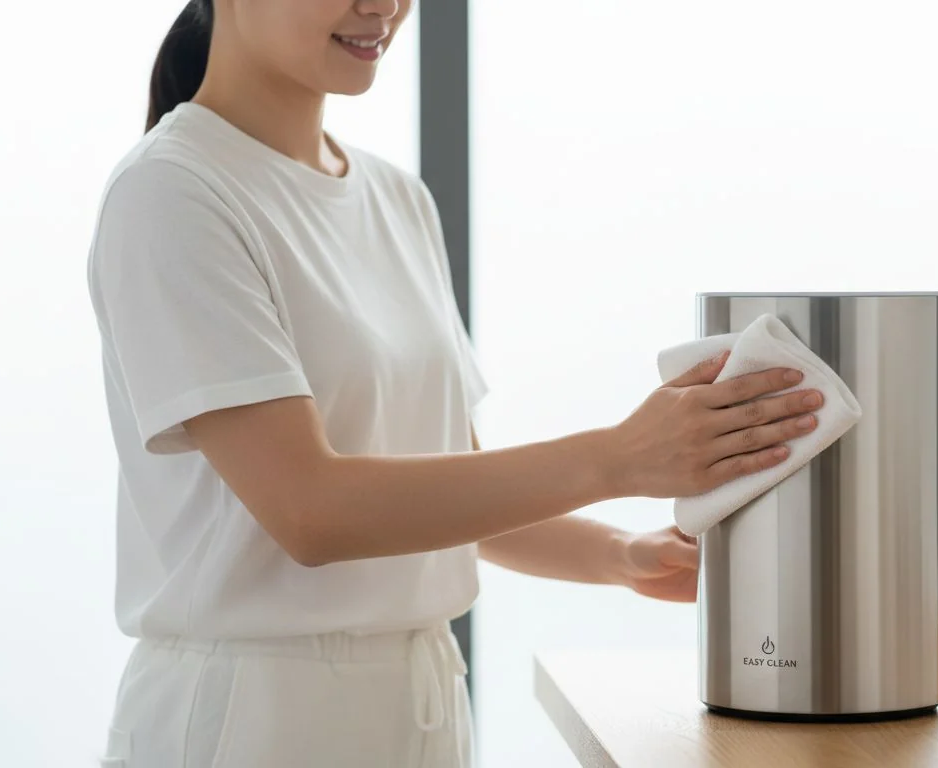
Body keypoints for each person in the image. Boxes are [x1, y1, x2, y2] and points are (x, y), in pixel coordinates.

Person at [86, 0, 826, 765]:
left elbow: (443, 484)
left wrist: (620, 555)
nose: (383, 7)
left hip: (421, 706)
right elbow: (312, 512)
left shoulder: (397, 199)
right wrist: (619, 458)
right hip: (250, 721)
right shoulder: (173, 192)